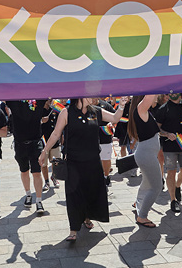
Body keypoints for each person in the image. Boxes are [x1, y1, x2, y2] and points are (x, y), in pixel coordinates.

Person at [39, 97, 127, 242]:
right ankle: (73, 230)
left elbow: (115, 117)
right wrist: (44, 151)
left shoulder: (96, 111)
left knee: (91, 192)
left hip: (93, 161)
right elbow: (56, 134)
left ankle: (87, 217)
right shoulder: (66, 112)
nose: (94, 97)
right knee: (74, 195)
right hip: (74, 162)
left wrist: (121, 106)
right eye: (91, 94)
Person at [155, 93, 182, 213]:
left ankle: (177, 186)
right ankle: (173, 200)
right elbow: (157, 128)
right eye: (170, 93)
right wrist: (167, 134)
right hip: (169, 147)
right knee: (171, 172)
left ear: (180, 93)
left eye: (175, 92)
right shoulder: (163, 109)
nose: (172, 94)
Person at [6, 99, 48, 212]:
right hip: (20, 143)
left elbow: (49, 94)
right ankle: (28, 194)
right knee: (24, 171)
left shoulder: (38, 100)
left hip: (36, 143)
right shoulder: (14, 101)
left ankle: (39, 200)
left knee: (37, 172)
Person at [127, 95, 162, 227]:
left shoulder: (142, 112)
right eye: (155, 97)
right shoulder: (140, 110)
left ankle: (139, 202)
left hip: (146, 154)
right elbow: (149, 96)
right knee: (156, 186)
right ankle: (142, 216)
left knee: (147, 182)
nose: (156, 99)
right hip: (146, 155)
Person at [92, 97, 116, 186]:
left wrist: (112, 123)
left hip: (105, 137)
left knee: (106, 159)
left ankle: (106, 176)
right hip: (91, 138)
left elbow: (115, 116)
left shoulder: (106, 105)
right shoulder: (86, 107)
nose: (92, 99)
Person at [40, 100, 61, 190]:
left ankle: (54, 177)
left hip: (55, 141)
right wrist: (41, 121)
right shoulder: (39, 111)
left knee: (56, 162)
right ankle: (46, 181)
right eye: (48, 99)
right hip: (43, 141)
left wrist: (62, 137)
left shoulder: (54, 110)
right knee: (44, 164)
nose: (51, 101)